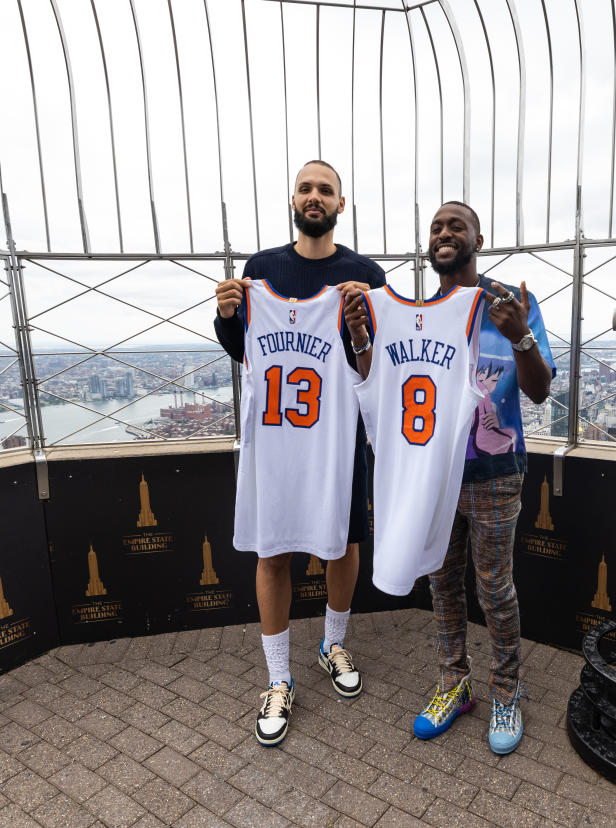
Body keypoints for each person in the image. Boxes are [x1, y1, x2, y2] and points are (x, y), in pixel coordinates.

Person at [214, 160, 385, 746]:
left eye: (326, 190)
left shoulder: (363, 274)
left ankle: (333, 643)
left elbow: (375, 364)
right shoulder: (260, 270)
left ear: (342, 203)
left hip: (337, 441)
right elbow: (243, 352)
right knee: (274, 552)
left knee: (345, 545)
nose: (315, 197)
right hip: (277, 443)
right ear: (293, 197)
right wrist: (227, 314)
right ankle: (278, 677)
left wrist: (365, 321)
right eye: (307, 188)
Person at [398, 201, 554, 754]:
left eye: (455, 226)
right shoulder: (416, 312)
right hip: (435, 476)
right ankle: (453, 683)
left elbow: (538, 391)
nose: (444, 233)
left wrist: (520, 337)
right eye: (436, 227)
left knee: (493, 588)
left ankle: (507, 689)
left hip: (494, 473)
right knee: (442, 584)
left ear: (478, 239)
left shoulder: (511, 306)